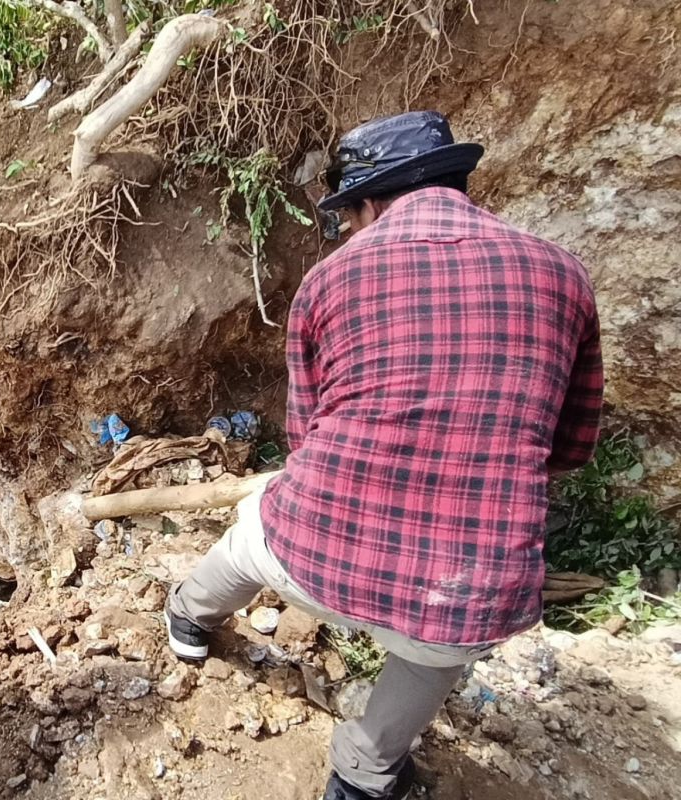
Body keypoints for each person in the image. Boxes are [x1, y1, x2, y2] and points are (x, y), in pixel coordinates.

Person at [165, 111, 603, 800]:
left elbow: (305, 439)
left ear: (369, 202)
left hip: (312, 557)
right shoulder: (564, 275)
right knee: (441, 648)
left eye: (351, 213)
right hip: (461, 593)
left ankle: (189, 618)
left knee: (258, 530)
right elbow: (571, 446)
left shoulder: (330, 279)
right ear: (457, 182)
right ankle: (363, 775)